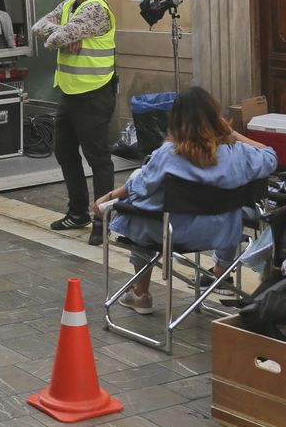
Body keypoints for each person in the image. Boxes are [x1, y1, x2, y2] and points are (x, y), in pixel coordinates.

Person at [94, 87, 276, 315]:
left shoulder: (168, 153)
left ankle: (141, 293)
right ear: (216, 117)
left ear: (176, 119)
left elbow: (140, 186)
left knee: (140, 206)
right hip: (224, 232)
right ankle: (220, 272)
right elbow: (271, 156)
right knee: (215, 206)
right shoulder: (238, 152)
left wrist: (109, 197)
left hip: (174, 234)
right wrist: (232, 134)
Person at [31, 0, 119, 246]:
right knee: (64, 151)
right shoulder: (69, 6)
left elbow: (53, 38)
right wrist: (65, 33)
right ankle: (78, 212)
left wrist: (62, 35)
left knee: (98, 159)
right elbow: (38, 28)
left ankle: (102, 220)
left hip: (94, 94)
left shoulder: (96, 10)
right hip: (70, 93)